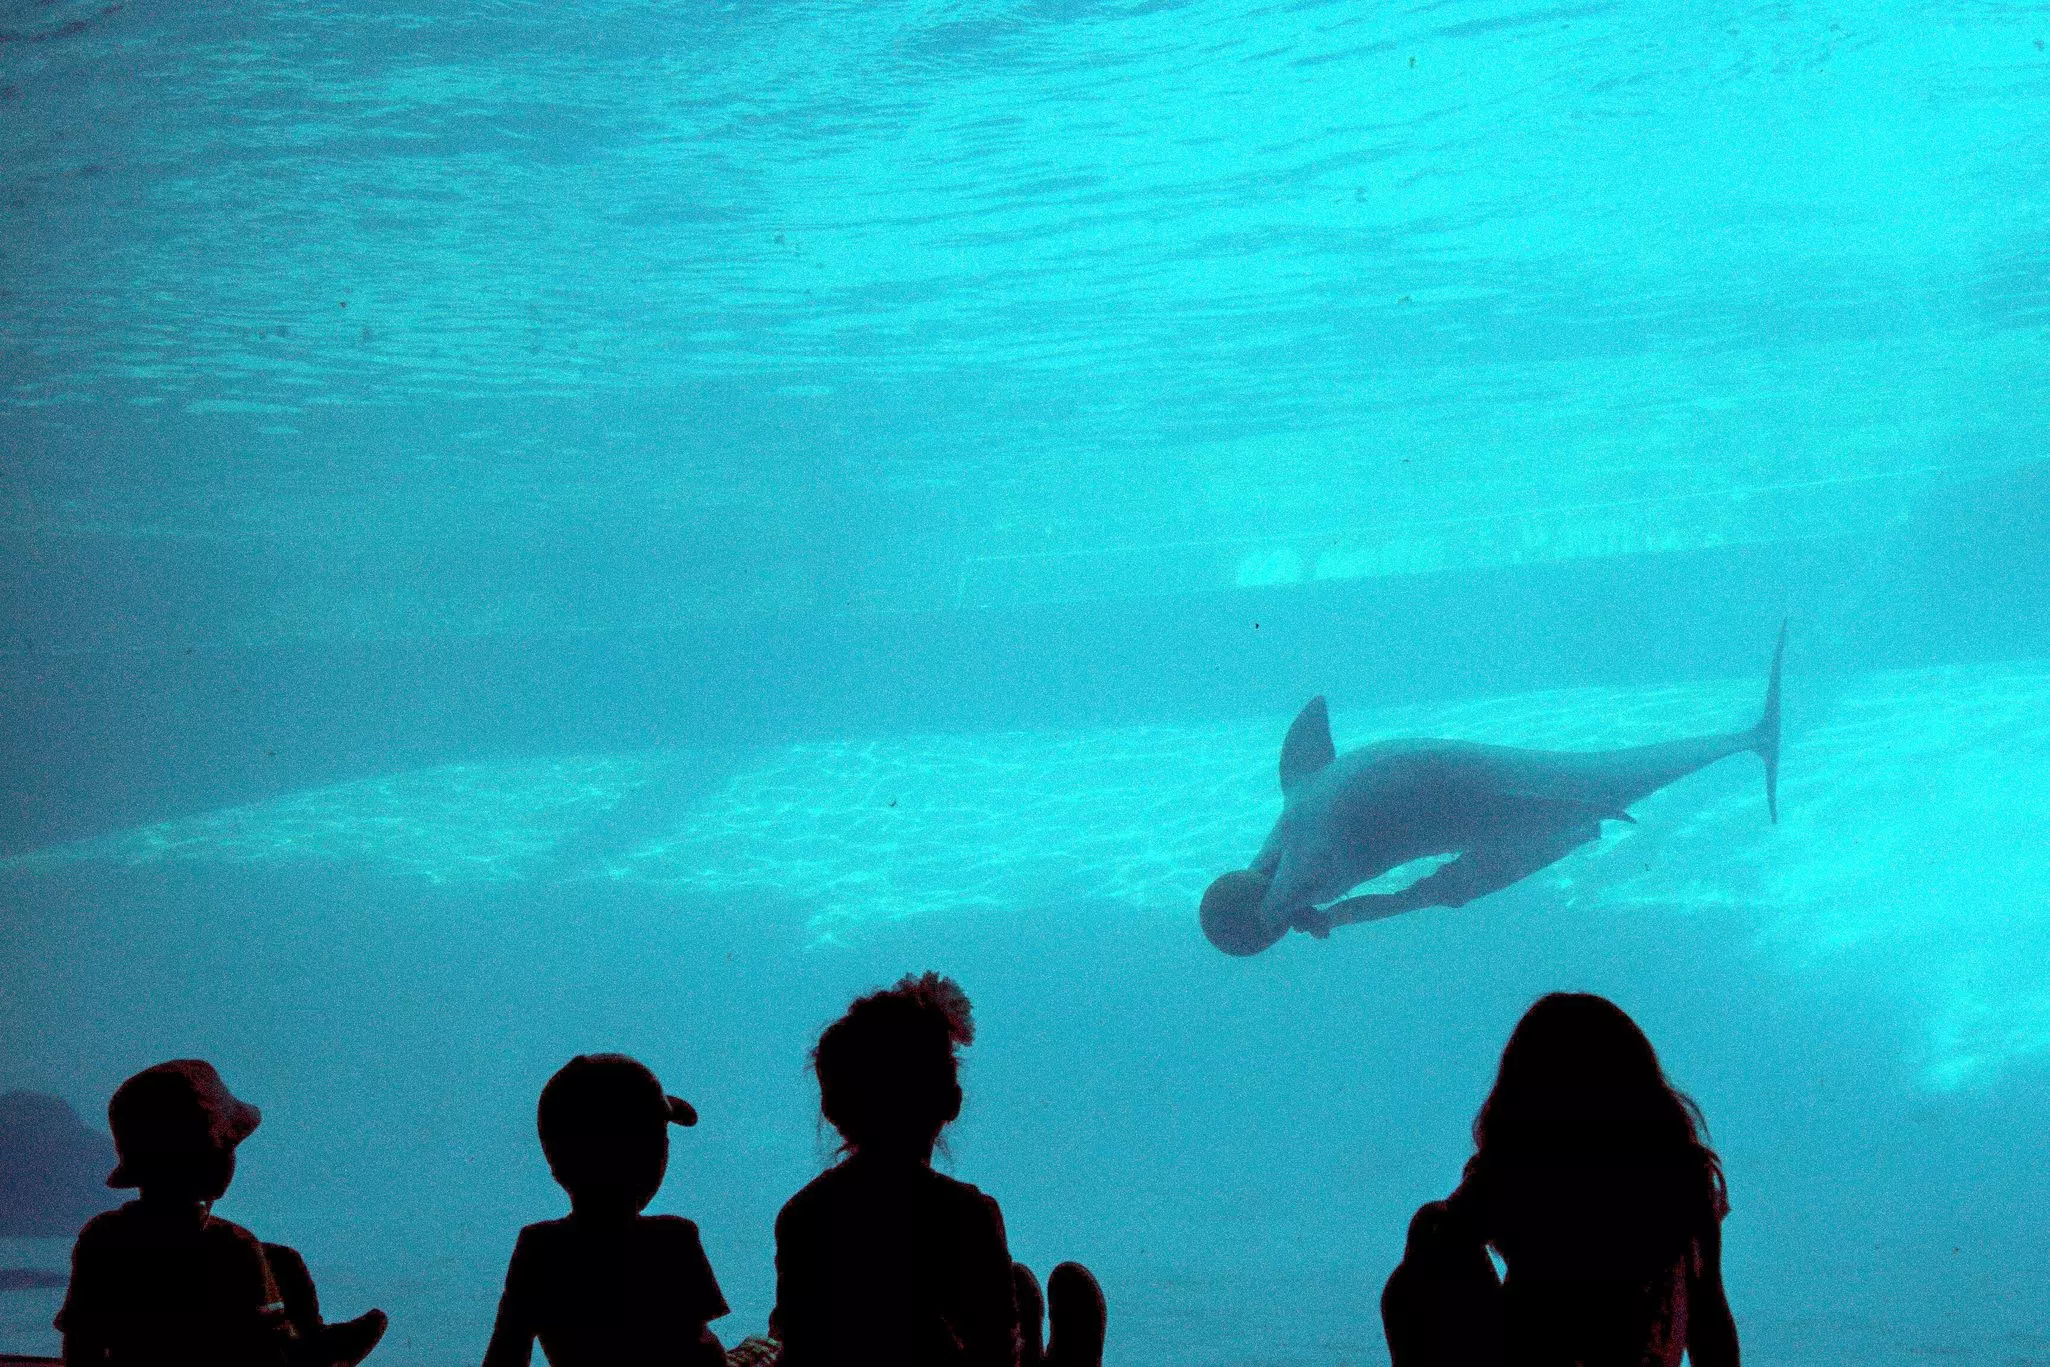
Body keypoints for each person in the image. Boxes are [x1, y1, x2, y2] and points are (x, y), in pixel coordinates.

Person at [1382, 994, 1739, 1367]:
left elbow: (1437, 1245)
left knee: (1430, 1229)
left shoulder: (1515, 1172)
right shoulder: (1682, 1175)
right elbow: (1710, 1319)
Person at [772, 972, 1105, 1367]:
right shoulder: (969, 1214)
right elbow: (992, 1347)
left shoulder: (801, 1214)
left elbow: (799, 1340)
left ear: (831, 1109)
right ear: (952, 1101)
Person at [55, 1060, 385, 1367]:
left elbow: (82, 1340)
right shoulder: (234, 1246)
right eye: (230, 1146)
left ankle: (315, 1342)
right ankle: (318, 1349)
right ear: (213, 1159)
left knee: (279, 1258)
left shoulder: (101, 1236)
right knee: (280, 1266)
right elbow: (267, 1351)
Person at [482, 1054, 728, 1367]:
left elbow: (505, 1355)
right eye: (660, 1137)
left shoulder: (537, 1247)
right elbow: (701, 1355)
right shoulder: (674, 1238)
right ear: (649, 1154)